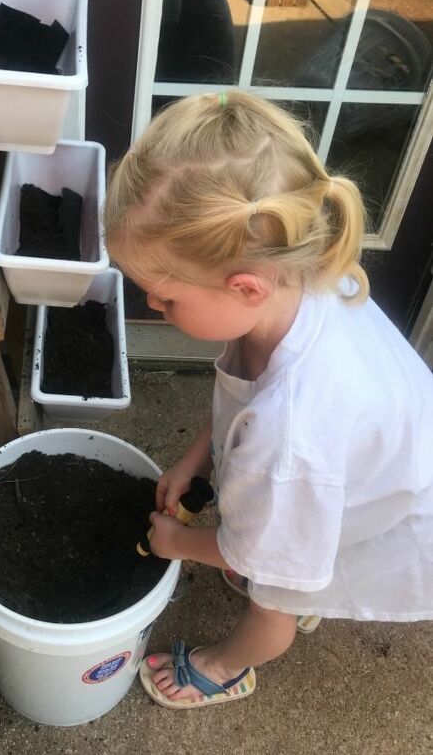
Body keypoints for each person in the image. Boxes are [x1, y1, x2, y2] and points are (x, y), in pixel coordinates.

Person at [103, 90, 433, 710]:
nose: (153, 306)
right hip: (370, 463)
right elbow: (240, 395)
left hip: (382, 498)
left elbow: (247, 547)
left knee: (275, 599)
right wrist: (194, 460)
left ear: (245, 286)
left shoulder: (293, 435)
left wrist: (177, 545)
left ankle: (227, 667)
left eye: (165, 297)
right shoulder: (299, 278)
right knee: (280, 542)